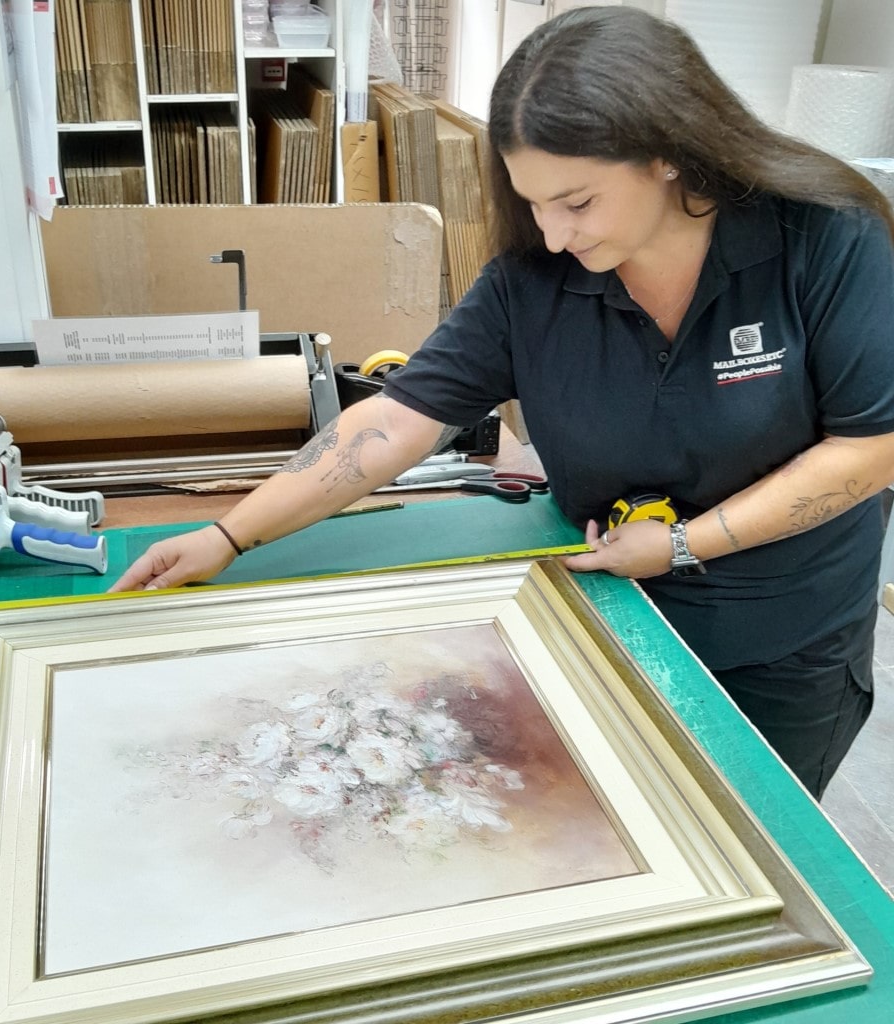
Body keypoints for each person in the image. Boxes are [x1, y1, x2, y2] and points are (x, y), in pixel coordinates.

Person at [112, 6, 894, 799]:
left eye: (578, 203)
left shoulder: (826, 238)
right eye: (535, 203)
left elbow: (871, 448)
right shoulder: (535, 281)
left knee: (758, 848)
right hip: (610, 613)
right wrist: (230, 532)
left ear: (667, 153)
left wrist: (687, 545)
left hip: (785, 644)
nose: (554, 235)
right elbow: (392, 420)